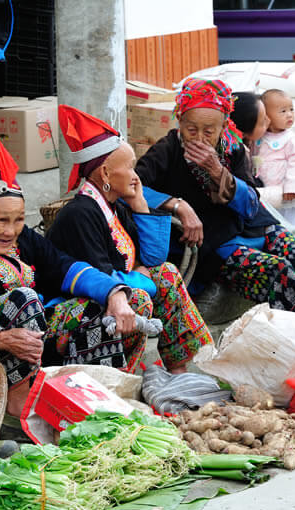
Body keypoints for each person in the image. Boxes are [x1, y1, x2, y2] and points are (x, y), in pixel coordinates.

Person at [0, 133, 151, 417]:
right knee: (24, 296)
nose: (11, 231)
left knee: (110, 305)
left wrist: (115, 294)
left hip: (37, 338)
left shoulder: (26, 240)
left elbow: (67, 268)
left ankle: (95, 395)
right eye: (2, 220)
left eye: (19, 219)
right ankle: (21, 402)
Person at [135, 78, 295, 315]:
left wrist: (218, 171)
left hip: (252, 226)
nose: (199, 138)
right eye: (191, 129)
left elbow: (252, 205)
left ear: (223, 127)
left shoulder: (235, 149)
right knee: (280, 273)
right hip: (215, 240)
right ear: (180, 121)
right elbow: (132, 187)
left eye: (209, 131)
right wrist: (178, 205)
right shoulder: (167, 150)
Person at [48, 105, 214, 373]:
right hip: (75, 308)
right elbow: (103, 279)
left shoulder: (116, 206)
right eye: (130, 167)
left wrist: (139, 204)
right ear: (104, 174)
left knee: (167, 273)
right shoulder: (80, 214)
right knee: (137, 296)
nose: (136, 176)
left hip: (116, 292)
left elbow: (153, 260)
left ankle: (179, 370)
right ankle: (119, 376)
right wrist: (140, 278)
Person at [230, 91, 295, 217]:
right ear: (244, 133)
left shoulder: (291, 140)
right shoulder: (236, 155)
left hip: (285, 196)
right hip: (269, 201)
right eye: (263, 120)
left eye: (291, 109)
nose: (268, 120)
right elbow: (245, 195)